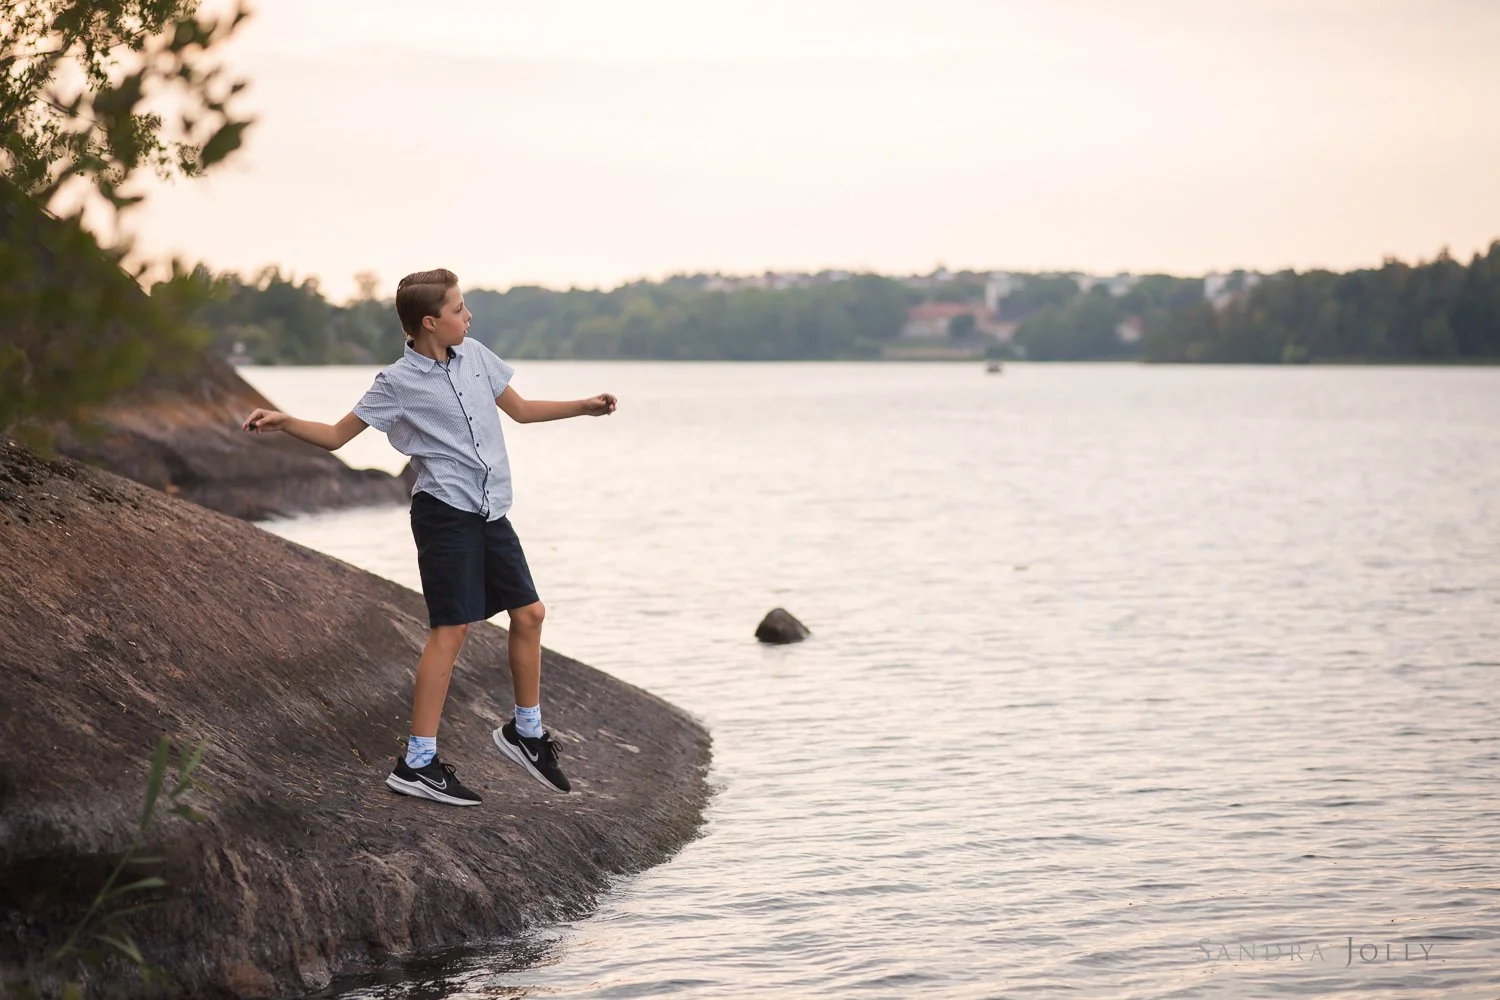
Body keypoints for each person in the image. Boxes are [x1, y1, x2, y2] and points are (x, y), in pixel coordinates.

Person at [241, 268, 616, 806]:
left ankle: (526, 734)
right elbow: (335, 437)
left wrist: (584, 406)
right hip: (443, 514)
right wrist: (285, 421)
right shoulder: (396, 383)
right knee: (451, 629)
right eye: (460, 309)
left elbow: (523, 411)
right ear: (430, 322)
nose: (469, 316)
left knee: (529, 614)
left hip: (488, 511)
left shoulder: (477, 358)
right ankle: (417, 762)